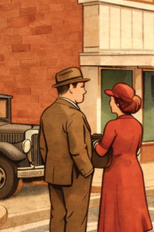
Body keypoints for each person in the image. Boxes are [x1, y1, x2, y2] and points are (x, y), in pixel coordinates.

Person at [39, 67, 94, 232]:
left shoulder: (47, 113)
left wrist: (51, 165)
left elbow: (42, 146)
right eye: (81, 86)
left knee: (58, 216)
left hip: (54, 173)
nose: (84, 91)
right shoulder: (74, 115)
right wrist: (88, 170)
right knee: (76, 218)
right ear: (71, 87)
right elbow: (78, 149)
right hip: (76, 176)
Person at [95, 83, 153, 232]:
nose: (109, 102)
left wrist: (94, 143)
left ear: (118, 103)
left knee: (116, 211)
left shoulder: (112, 125)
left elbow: (101, 151)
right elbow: (137, 147)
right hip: (134, 169)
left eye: (111, 99)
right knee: (131, 207)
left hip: (116, 172)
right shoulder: (138, 125)